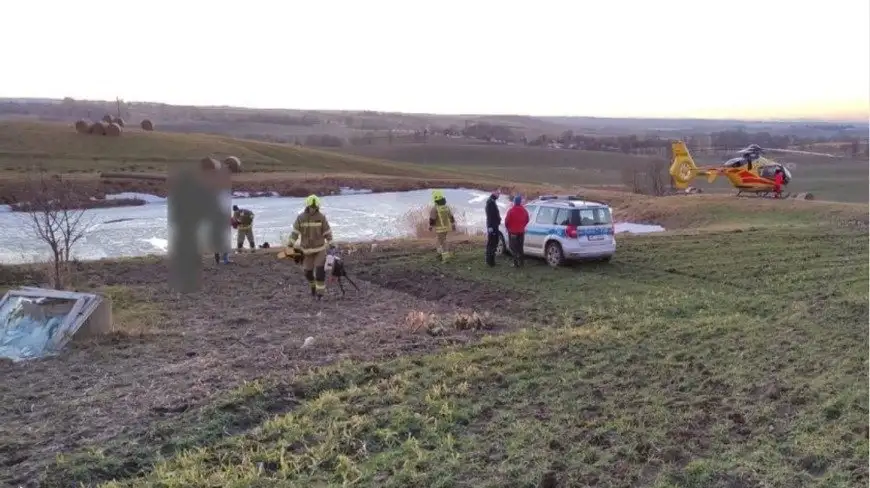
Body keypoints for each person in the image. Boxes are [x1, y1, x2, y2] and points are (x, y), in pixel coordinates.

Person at [287, 195, 334, 299]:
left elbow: (327, 232)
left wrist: (331, 244)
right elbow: (295, 233)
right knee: (307, 273)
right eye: (311, 207)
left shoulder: (321, 217)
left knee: (320, 273)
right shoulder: (300, 218)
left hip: (319, 250)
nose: (313, 209)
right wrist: (290, 245)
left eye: (315, 207)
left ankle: (320, 294)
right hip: (306, 251)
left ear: (318, 207)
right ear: (307, 206)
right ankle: (313, 285)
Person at [428, 190, 457, 261]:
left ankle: (445, 257)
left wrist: (431, 226)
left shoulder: (435, 208)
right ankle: (440, 254)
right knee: (440, 240)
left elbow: (432, 219)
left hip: (440, 229)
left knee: (443, 242)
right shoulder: (446, 207)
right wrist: (453, 224)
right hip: (447, 227)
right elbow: (451, 217)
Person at [504, 195, 529, 267]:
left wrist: (508, 228)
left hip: (512, 232)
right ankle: (521, 262)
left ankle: (515, 263)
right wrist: (522, 226)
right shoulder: (524, 211)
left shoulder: (511, 211)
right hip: (521, 232)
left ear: (514, 202)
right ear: (520, 202)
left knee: (513, 247)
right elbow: (527, 220)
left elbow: (506, 221)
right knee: (520, 247)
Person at [484, 190, 502, 267]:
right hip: (493, 226)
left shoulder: (492, 201)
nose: (499, 195)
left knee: (493, 242)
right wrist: (490, 227)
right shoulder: (490, 202)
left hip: (494, 225)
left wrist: (498, 219)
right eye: (498, 193)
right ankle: (490, 261)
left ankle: (491, 260)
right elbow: (490, 216)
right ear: (494, 193)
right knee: (492, 243)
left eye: (499, 194)